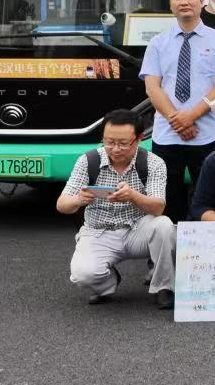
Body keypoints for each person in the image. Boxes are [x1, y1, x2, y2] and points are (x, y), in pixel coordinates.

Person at [140, 0, 215, 223]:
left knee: (210, 200)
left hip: (207, 135)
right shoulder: (157, 43)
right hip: (166, 135)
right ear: (170, 4)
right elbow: (152, 87)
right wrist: (177, 120)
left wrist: (190, 117)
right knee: (167, 202)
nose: (184, 2)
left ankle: (207, 247)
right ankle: (168, 246)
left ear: (202, 0)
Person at [57, 109, 175, 308]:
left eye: (123, 143)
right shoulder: (88, 160)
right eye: (109, 142)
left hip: (138, 229)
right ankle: (108, 282)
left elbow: (158, 208)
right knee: (83, 274)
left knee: (164, 226)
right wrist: (78, 199)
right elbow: (62, 204)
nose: (115, 149)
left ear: (139, 139)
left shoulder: (153, 163)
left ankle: (164, 286)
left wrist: (133, 196)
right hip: (98, 232)